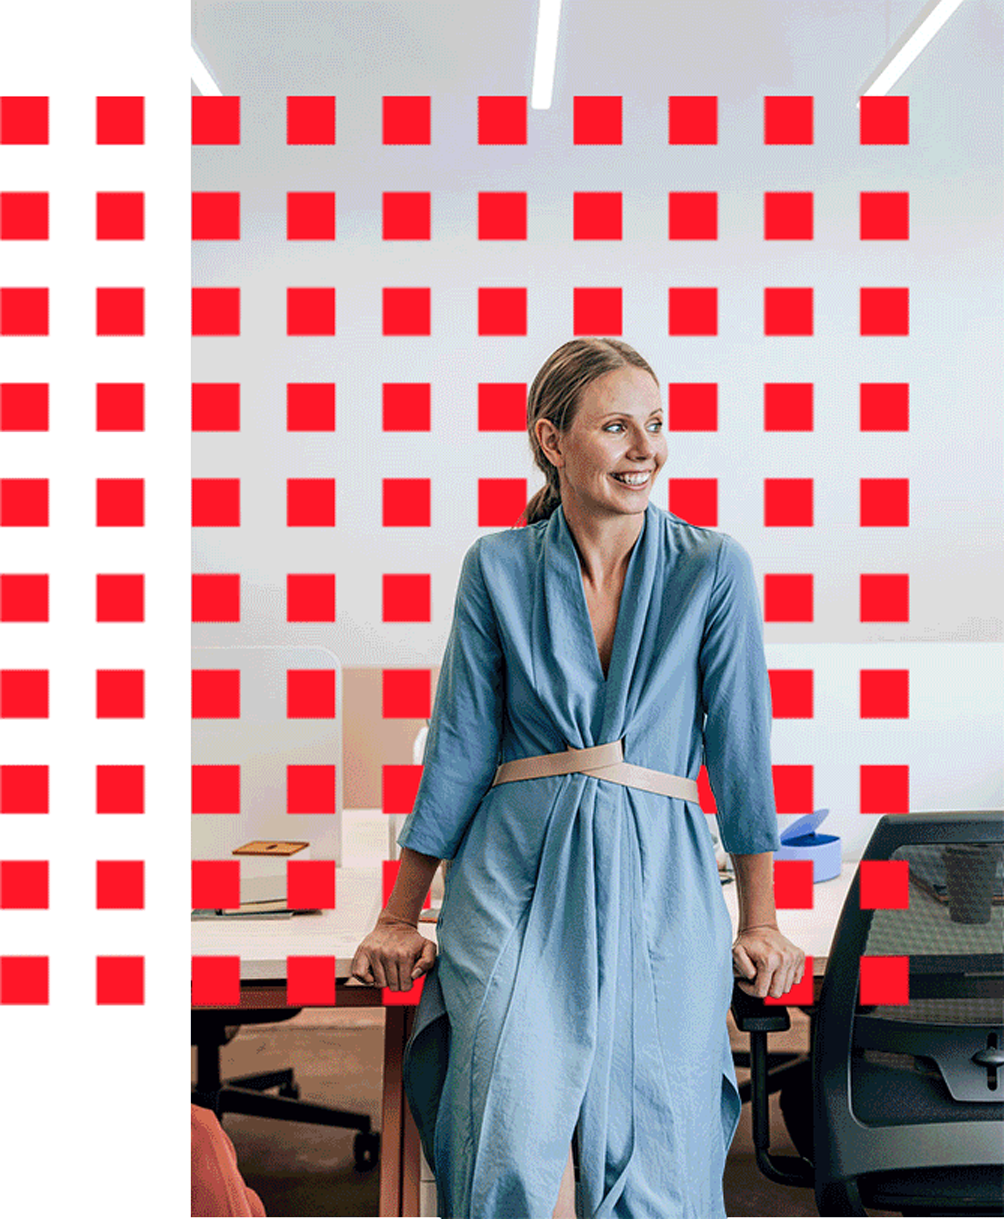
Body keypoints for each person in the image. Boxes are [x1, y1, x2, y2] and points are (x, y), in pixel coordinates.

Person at [351, 337, 806, 1218]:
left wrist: (762, 919)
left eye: (658, 425)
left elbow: (743, 754)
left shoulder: (714, 566)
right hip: (514, 877)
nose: (648, 448)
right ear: (552, 441)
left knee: (661, 1147)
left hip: (664, 878)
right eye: (617, 426)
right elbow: (457, 749)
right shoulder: (495, 566)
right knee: (507, 1129)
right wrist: (398, 914)